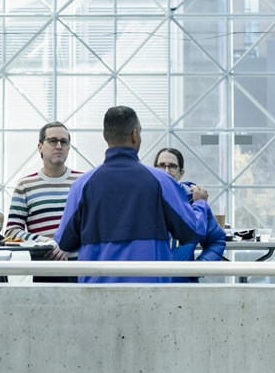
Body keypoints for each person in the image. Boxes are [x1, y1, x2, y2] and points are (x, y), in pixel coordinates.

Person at [57, 106, 213, 283]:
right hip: (149, 290)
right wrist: (200, 203)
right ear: (135, 135)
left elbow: (65, 241)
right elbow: (191, 232)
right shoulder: (161, 182)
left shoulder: (82, 185)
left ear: (105, 136)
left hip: (96, 291)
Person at [5, 121, 80, 260]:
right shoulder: (25, 185)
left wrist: (69, 244)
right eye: (53, 141)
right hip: (42, 266)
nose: (59, 146)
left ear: (69, 148)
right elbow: (11, 232)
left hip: (80, 267)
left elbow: (95, 226)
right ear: (40, 147)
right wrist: (45, 242)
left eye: (64, 142)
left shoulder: (83, 181)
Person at [153, 147, 226, 269]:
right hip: (148, 277)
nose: (166, 171)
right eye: (161, 165)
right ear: (154, 169)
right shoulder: (144, 199)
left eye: (172, 166)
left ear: (181, 173)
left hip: (182, 279)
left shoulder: (194, 201)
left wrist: (199, 268)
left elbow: (216, 240)